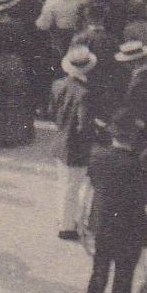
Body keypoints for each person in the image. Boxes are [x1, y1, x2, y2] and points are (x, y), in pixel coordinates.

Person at [85, 117, 147, 293]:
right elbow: (146, 196)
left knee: (101, 264)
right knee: (124, 270)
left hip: (103, 221)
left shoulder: (97, 156)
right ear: (132, 139)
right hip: (129, 225)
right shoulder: (136, 164)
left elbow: (92, 184)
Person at [50, 44, 100, 241]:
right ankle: (67, 226)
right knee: (74, 186)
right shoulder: (85, 93)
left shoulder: (58, 85)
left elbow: (52, 112)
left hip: (61, 139)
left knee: (64, 184)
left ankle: (64, 219)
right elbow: (83, 124)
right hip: (76, 145)